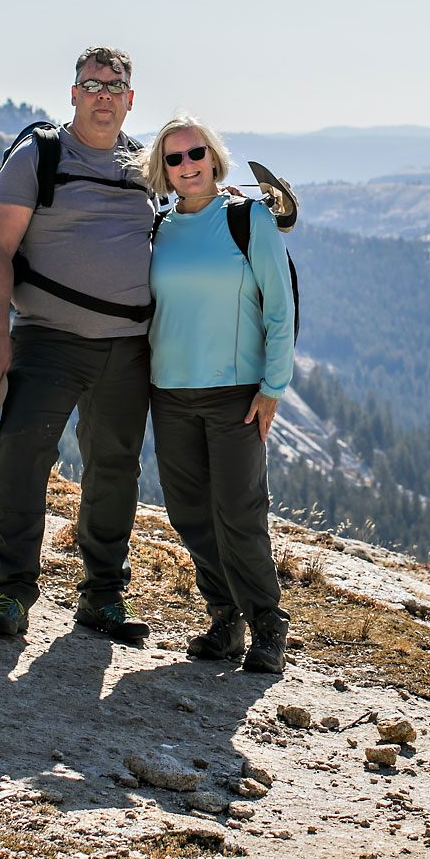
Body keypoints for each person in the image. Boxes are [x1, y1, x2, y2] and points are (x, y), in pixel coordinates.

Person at [0, 47, 156, 645]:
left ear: (130, 99)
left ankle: (102, 598)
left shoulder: (146, 165)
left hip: (128, 346)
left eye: (115, 84)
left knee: (114, 468)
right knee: (21, 452)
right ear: (72, 94)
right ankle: (9, 592)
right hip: (48, 337)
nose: (104, 94)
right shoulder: (39, 155)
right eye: (92, 83)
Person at [134, 115, 297, 673]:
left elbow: (279, 309)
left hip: (235, 393)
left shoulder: (247, 219)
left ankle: (268, 625)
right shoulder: (159, 229)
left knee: (239, 511)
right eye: (174, 159)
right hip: (169, 391)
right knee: (187, 511)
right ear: (163, 169)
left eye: (195, 153)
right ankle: (225, 618)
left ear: (213, 155)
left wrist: (272, 387)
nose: (187, 166)